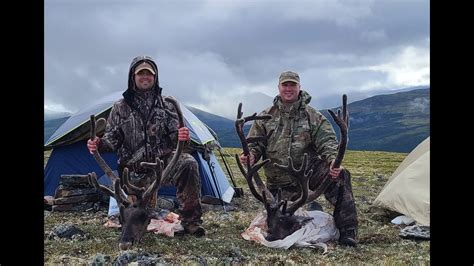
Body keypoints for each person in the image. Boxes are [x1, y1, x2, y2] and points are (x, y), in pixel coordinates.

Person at [87, 55, 205, 236]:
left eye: (149, 74)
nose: (145, 77)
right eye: (140, 73)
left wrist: (182, 136)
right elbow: (112, 139)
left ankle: (191, 221)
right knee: (132, 216)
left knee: (189, 163)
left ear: (155, 77)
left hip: (161, 167)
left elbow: (176, 137)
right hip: (132, 171)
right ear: (132, 77)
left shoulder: (167, 105)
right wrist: (99, 143)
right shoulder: (120, 107)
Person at [239, 70, 358, 246]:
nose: (288, 89)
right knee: (278, 223)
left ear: (299, 88)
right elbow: (255, 144)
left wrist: (333, 160)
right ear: (279, 88)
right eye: (285, 85)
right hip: (279, 183)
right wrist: (251, 155)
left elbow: (327, 142)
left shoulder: (313, 116)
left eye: (292, 85)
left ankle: (348, 231)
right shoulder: (265, 116)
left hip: (308, 174)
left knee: (340, 176)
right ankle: (312, 210)